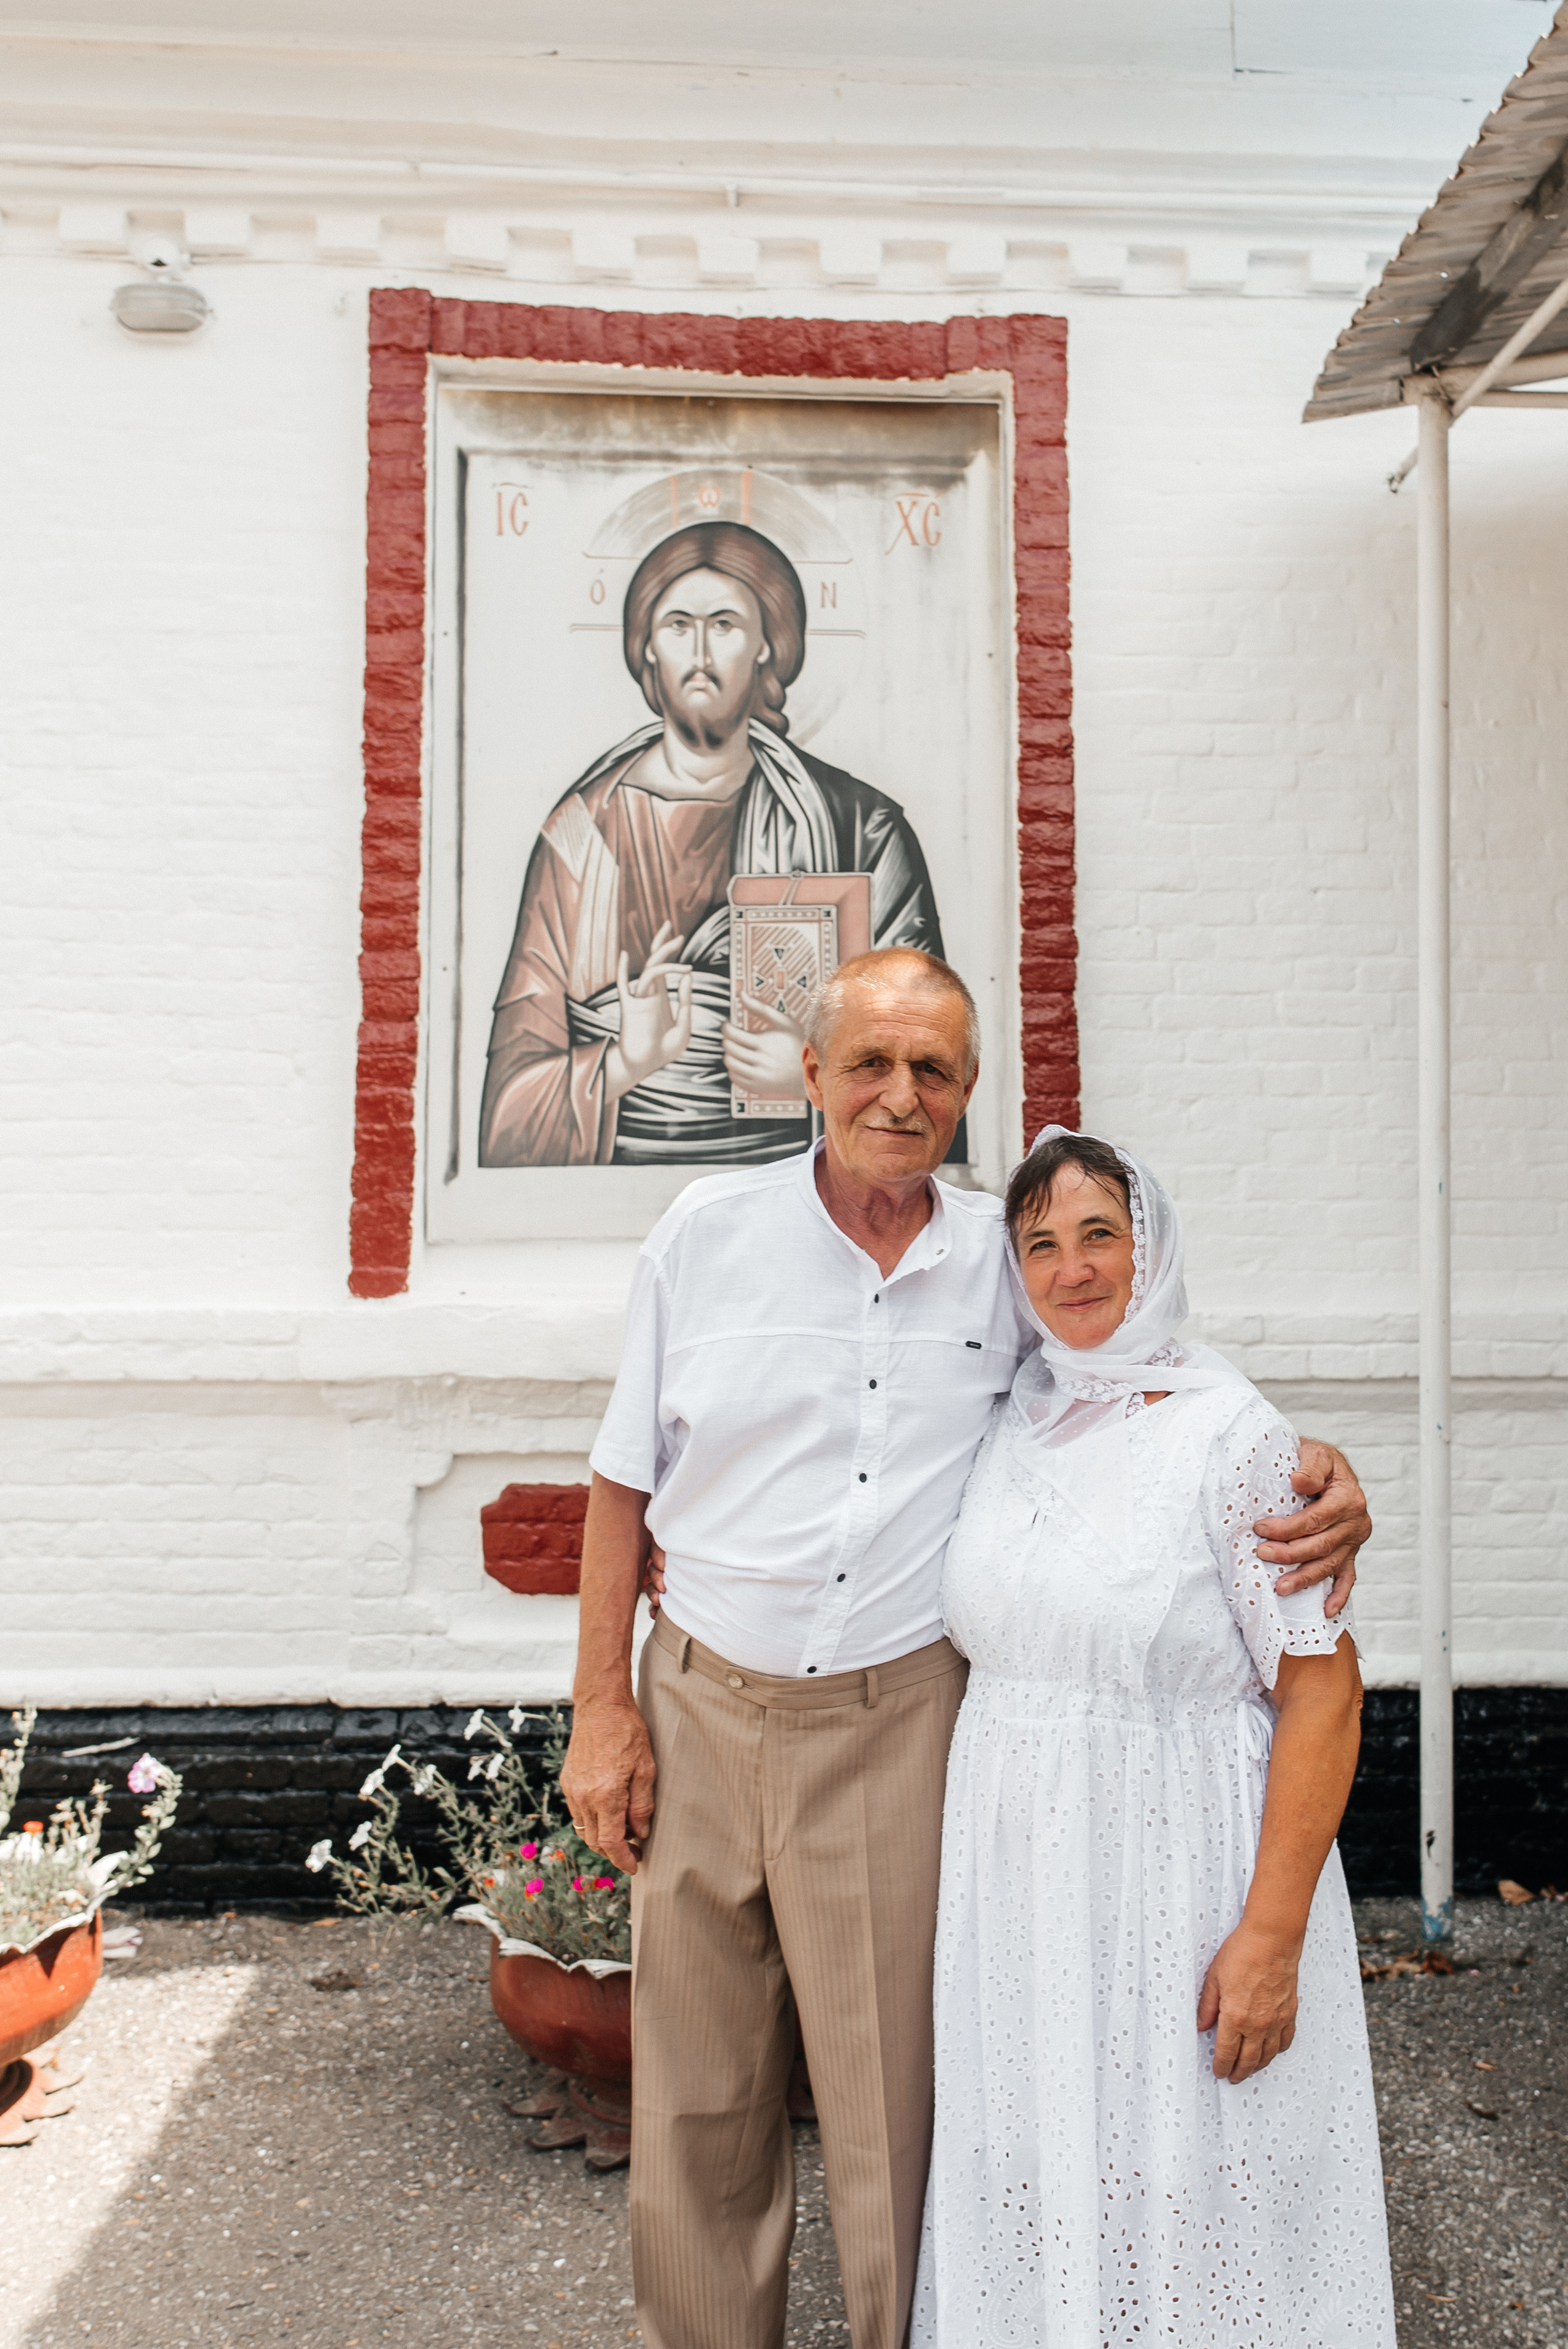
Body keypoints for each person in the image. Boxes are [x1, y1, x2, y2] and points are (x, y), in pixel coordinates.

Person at [562, 946, 1373, 2349]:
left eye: (930, 1068)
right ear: (809, 1075)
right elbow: (621, 1479)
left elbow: (1135, 1367)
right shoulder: (703, 1235)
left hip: (889, 1721)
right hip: (697, 1697)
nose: (898, 1092)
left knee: (894, 2113)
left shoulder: (998, 1259)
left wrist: (1311, 1464)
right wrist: (599, 1708)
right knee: (693, 2095)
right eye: (868, 1062)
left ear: (967, 1088)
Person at [912, 1127, 1396, 2347]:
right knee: (1047, 2156)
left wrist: (1270, 1937)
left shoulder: (1236, 1441)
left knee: (1193, 2170)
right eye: (1040, 1244)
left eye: (1099, 1234)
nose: (1071, 1267)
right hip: (1023, 1880)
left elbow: (1324, 1695)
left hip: (1180, 1867)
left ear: (1153, 1248)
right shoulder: (1008, 1417)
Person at [478, 520, 950, 1169]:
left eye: (724, 625)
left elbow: (933, 1058)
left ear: (767, 645)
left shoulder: (860, 828)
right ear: (646, 647)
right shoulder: (582, 832)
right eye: (678, 625)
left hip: (806, 1188)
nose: (699, 651)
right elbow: (510, 1104)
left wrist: (813, 1077)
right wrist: (625, 1061)